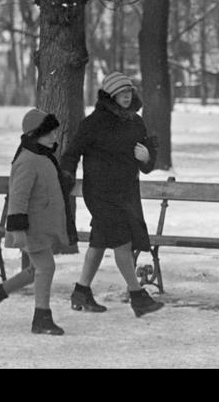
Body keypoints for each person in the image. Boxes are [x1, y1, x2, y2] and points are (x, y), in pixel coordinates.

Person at [61, 71, 164, 317]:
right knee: (122, 243)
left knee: (99, 242)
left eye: (129, 92)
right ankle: (138, 296)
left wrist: (147, 157)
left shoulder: (135, 122)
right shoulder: (93, 123)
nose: (127, 97)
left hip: (126, 193)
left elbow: (146, 161)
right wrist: (66, 174)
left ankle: (81, 292)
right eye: (121, 93)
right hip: (100, 193)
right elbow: (72, 152)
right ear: (110, 95)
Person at [0, 108, 77, 335]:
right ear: (36, 134)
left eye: (55, 132)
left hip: (42, 226)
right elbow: (19, 196)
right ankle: (41, 317)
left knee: (37, 269)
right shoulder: (28, 160)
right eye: (49, 133)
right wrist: (17, 228)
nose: (55, 137)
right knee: (46, 267)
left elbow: (47, 185)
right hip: (31, 227)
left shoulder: (42, 156)